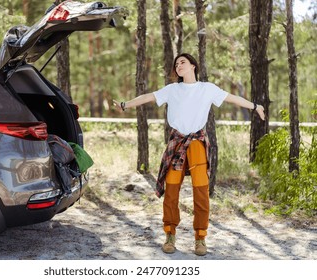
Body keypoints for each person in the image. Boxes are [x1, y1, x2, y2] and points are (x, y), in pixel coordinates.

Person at [113, 53, 265, 256]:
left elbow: (232, 98)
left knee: (200, 191)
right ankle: (170, 234)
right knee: (172, 190)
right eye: (176, 64)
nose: (178, 66)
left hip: (196, 143)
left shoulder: (207, 89)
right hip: (177, 142)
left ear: (193, 65)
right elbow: (148, 97)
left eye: (182, 62)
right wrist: (125, 104)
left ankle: (200, 238)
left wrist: (256, 106)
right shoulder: (172, 89)